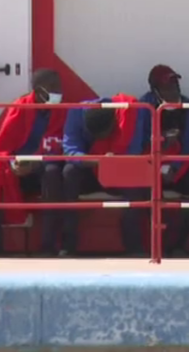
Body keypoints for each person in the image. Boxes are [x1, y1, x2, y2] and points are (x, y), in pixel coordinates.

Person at [0, 69, 66, 256]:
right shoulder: (20, 108)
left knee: (52, 172)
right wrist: (13, 164)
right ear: (39, 90)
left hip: (43, 166)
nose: (59, 92)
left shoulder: (62, 112)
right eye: (53, 87)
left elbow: (61, 147)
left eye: (59, 87)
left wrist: (35, 164)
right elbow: (0, 145)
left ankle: (48, 246)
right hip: (16, 167)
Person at [136, 64, 189, 256]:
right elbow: (139, 144)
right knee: (139, 187)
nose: (173, 90)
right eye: (167, 86)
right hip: (153, 165)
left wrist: (175, 166)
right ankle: (148, 246)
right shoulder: (144, 107)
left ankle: (178, 241)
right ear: (155, 90)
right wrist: (161, 142)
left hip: (181, 165)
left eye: (175, 84)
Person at [61, 93, 142, 256]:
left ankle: (134, 247)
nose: (101, 139)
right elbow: (70, 151)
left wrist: (115, 161)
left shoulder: (130, 112)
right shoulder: (76, 112)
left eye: (105, 135)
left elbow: (135, 150)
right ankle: (68, 246)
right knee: (69, 172)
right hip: (90, 168)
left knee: (138, 182)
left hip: (120, 168)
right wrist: (97, 160)